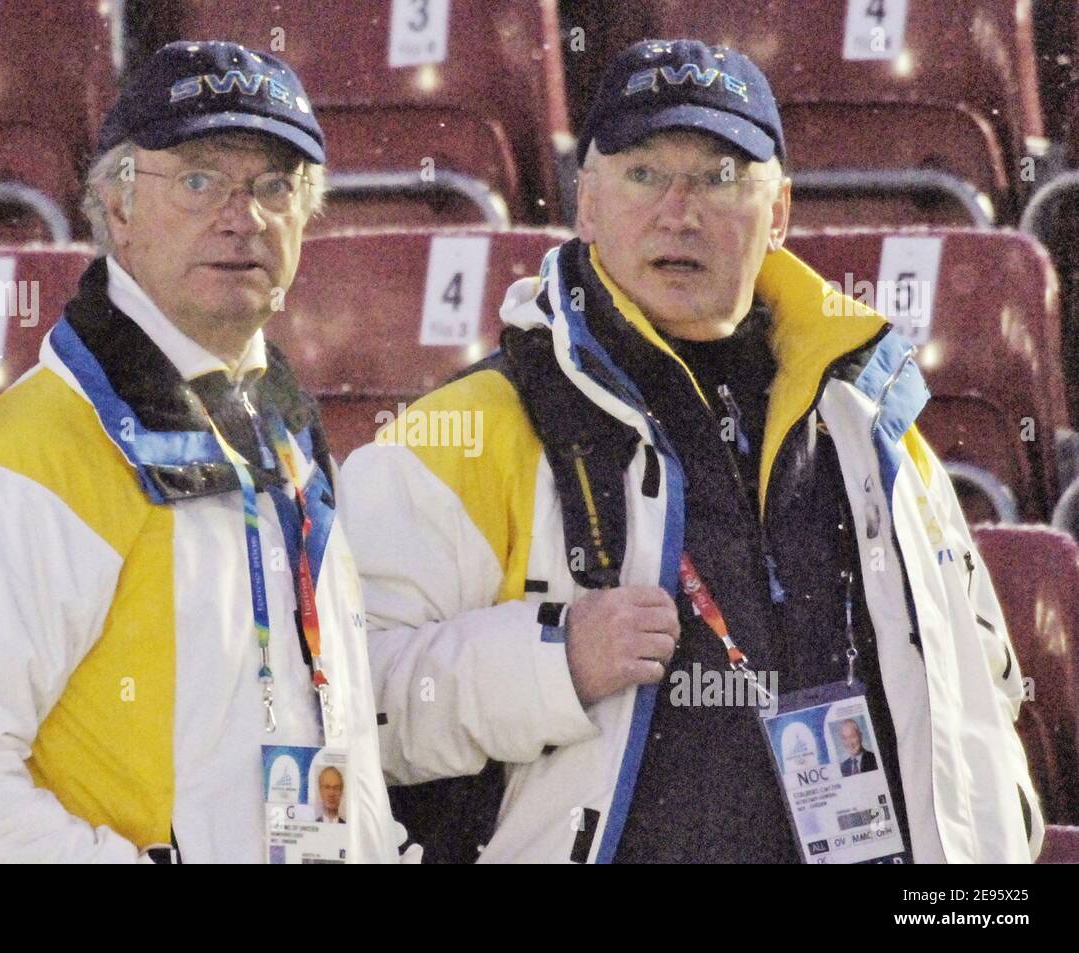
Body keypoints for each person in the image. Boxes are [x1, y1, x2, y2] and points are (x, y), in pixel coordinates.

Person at [339, 39, 1042, 863]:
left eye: (718, 177)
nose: (680, 211)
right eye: (643, 174)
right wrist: (549, 661)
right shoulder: (463, 430)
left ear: (777, 213)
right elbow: (355, 705)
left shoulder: (871, 419)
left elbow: (978, 689)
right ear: (588, 204)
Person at [0, 41, 404, 863]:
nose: (242, 215)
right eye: (197, 180)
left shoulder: (281, 431)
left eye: (274, 186)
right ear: (117, 209)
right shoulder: (37, 452)